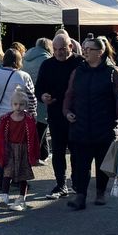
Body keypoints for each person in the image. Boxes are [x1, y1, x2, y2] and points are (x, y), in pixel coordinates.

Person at [63, 37, 118, 210]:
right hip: (81, 126)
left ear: (100, 52)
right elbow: (69, 95)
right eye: (84, 48)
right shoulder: (78, 72)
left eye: (89, 49)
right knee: (81, 164)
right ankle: (80, 196)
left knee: (102, 164)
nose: (84, 51)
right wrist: (67, 111)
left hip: (104, 127)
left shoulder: (113, 73)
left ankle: (100, 192)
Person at [35, 32, 85, 198]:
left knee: (77, 150)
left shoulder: (80, 62)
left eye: (62, 49)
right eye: (55, 49)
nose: (58, 53)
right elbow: (39, 87)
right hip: (55, 114)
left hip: (76, 114)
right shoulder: (47, 65)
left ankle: (77, 182)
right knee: (58, 151)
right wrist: (43, 96)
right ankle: (60, 184)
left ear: (70, 47)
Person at [0, 89, 39, 211]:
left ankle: (21, 198)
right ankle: (4, 198)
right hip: (9, 150)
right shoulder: (6, 119)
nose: (18, 107)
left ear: (26, 105)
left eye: (21, 104)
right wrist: (1, 152)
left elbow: (34, 138)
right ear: (11, 104)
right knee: (7, 174)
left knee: (23, 175)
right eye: (15, 104)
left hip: (24, 150)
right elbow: (0, 137)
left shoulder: (29, 119)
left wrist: (35, 153)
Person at [0, 48, 37, 123]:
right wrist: (32, 115)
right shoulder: (24, 76)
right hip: (17, 119)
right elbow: (31, 100)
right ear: (19, 61)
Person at [22, 38, 52, 161]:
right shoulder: (47, 60)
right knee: (41, 127)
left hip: (26, 96)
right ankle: (32, 157)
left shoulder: (25, 57)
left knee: (37, 127)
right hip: (41, 96)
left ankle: (43, 154)